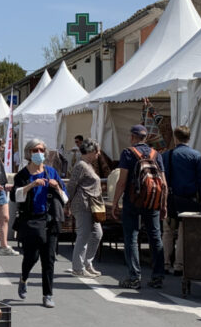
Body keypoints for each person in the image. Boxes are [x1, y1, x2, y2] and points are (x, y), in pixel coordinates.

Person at [13, 137, 67, 309]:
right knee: (32, 256)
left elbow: (65, 198)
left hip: (50, 220)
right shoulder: (23, 174)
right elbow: (16, 195)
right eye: (35, 150)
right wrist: (32, 184)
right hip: (31, 220)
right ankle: (23, 277)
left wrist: (57, 187)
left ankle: (48, 294)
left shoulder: (51, 172)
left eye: (41, 150)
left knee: (49, 259)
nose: (38, 153)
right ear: (29, 153)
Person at [111, 124, 167, 290]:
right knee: (155, 237)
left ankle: (134, 277)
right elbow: (163, 183)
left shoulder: (128, 153)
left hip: (133, 200)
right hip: (153, 201)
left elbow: (122, 181)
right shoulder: (156, 154)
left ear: (132, 137)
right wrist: (163, 204)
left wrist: (115, 202)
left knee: (132, 238)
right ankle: (157, 277)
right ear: (146, 138)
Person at [163, 125, 201, 274]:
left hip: (170, 198)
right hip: (189, 199)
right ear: (189, 138)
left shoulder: (166, 156)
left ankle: (165, 262)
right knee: (183, 231)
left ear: (175, 138)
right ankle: (179, 265)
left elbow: (163, 180)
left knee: (168, 230)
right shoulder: (196, 156)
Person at [67, 139, 105, 277]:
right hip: (82, 204)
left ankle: (87, 263)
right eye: (97, 151)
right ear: (90, 152)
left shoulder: (87, 165)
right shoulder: (81, 165)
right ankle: (78, 267)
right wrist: (67, 203)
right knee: (84, 235)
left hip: (92, 205)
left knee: (97, 234)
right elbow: (71, 185)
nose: (98, 154)